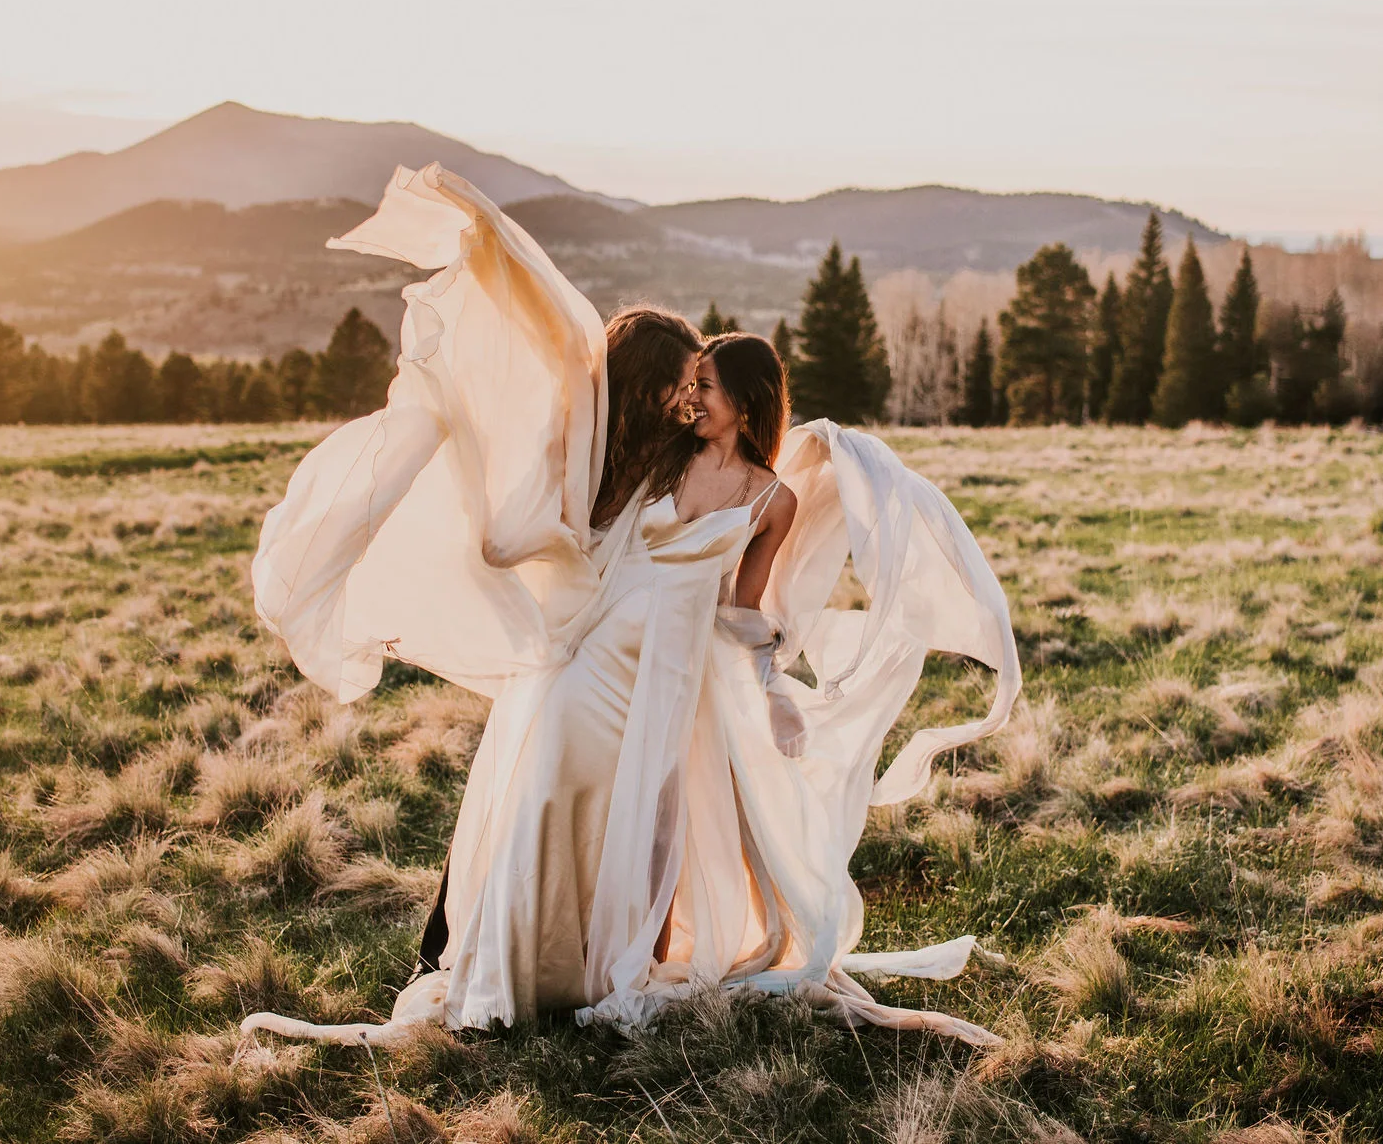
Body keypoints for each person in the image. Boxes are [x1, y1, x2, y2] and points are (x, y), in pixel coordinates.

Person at [245, 163, 1021, 1046]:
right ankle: (510, 962)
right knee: (546, 797)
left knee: (649, 826)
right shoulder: (652, 460)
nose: (691, 398)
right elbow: (561, 385)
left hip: (676, 668)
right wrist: (494, 252)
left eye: (707, 388)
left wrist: (767, 687)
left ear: (744, 404)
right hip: (596, 654)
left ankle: (609, 964)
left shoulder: (766, 495)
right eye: (686, 382)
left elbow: (748, 606)